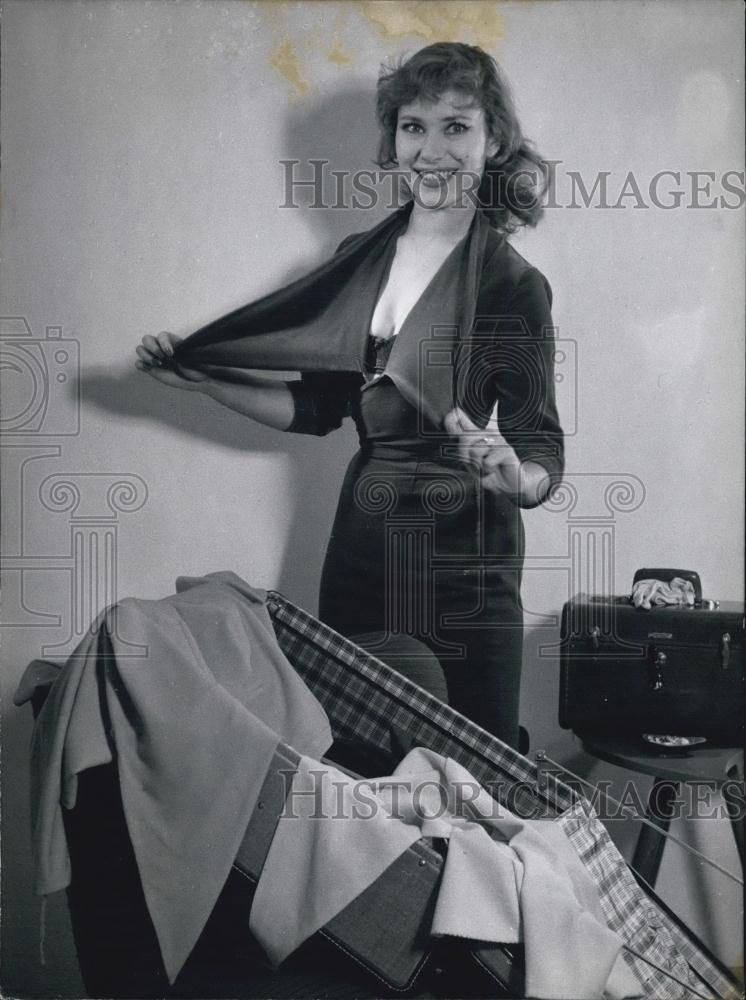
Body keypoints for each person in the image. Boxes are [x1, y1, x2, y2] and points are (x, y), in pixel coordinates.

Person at [135, 42, 564, 749]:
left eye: (456, 127)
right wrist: (207, 381)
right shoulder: (355, 262)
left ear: (493, 141)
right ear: (393, 141)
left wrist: (515, 476)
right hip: (364, 549)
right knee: (363, 769)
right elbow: (315, 410)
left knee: (479, 781)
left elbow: (541, 442)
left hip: (468, 562)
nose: (431, 150)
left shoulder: (513, 286)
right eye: (413, 126)